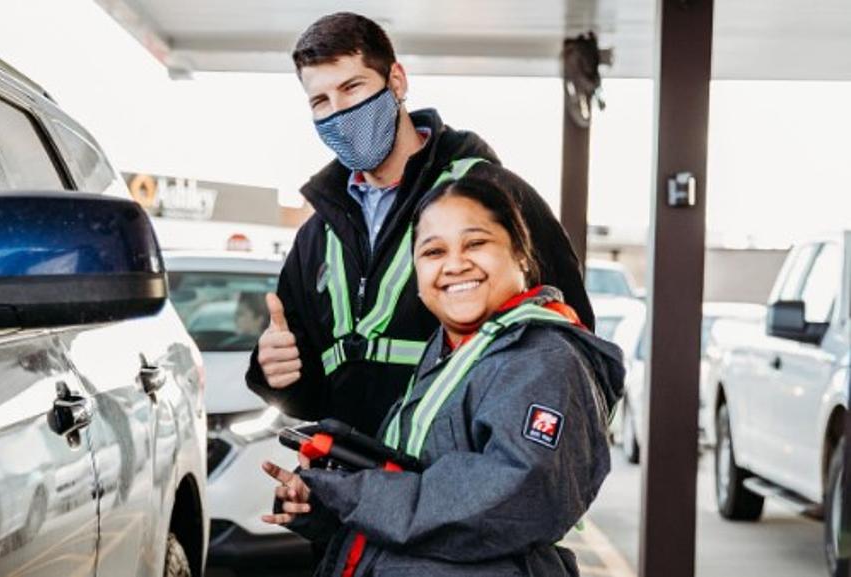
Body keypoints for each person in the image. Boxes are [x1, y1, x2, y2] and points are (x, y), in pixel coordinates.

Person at [247, 11, 594, 439]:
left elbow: (572, 341)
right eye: (320, 101)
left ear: (396, 82)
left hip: (461, 481)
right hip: (354, 484)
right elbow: (313, 393)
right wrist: (276, 372)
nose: (338, 113)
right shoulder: (317, 233)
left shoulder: (492, 193)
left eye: (352, 88)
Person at [262, 174, 625, 576]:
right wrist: (322, 503)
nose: (454, 264)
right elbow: (420, 495)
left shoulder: (544, 361)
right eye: (433, 252)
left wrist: (355, 494)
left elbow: (518, 498)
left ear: (522, 255)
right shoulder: (453, 351)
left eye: (476, 243)